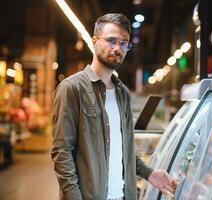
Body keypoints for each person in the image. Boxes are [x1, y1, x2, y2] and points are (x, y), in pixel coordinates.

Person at [51, 13, 177, 200]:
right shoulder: (72, 88)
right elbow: (62, 153)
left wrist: (150, 174)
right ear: (94, 42)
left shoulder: (122, 93)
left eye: (124, 43)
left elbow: (124, 151)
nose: (118, 48)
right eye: (111, 41)